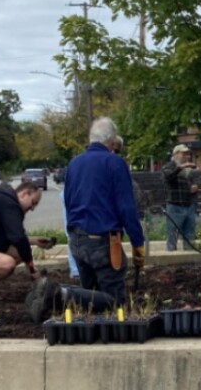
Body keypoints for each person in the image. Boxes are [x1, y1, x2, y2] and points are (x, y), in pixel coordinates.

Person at [26, 117, 145, 323]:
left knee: (91, 296)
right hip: (103, 240)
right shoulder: (114, 163)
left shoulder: (74, 163)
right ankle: (60, 293)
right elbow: (126, 206)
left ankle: (86, 324)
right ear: (112, 141)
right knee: (115, 301)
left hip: (77, 239)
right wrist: (137, 242)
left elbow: (69, 200)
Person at [162, 144, 199, 251]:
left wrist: (194, 188)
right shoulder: (168, 167)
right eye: (184, 154)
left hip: (189, 205)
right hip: (175, 205)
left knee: (190, 234)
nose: (187, 156)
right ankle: (171, 258)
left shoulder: (189, 170)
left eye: (188, 154)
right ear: (176, 154)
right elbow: (169, 177)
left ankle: (189, 257)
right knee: (172, 234)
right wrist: (180, 168)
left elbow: (194, 183)